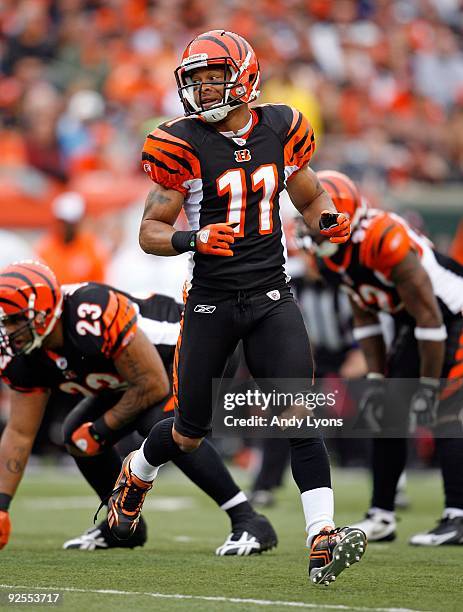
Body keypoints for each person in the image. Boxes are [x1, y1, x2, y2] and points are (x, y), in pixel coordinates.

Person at [106, 30, 366, 586]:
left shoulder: (282, 126)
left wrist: (326, 222)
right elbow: (150, 231)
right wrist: (193, 240)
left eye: (212, 78)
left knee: (301, 412)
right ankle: (138, 472)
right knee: (189, 430)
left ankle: (323, 535)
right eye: (194, 80)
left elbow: (311, 195)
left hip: (272, 293)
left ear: (244, 76)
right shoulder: (180, 142)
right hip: (211, 301)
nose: (202, 90)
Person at [0, 260, 277, 555]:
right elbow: (19, 432)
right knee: (76, 435)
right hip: (136, 377)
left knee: (162, 424)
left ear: (43, 313)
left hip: (194, 347)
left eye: (15, 320)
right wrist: (2, 508)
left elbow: (153, 385)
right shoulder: (23, 356)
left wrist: (101, 428)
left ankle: (248, 519)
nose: (8, 329)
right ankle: (121, 527)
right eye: (5, 321)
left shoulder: (88, 313)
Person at [305, 170, 463, 545]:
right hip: (421, 324)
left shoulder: (384, 238)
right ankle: (382, 513)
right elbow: (366, 319)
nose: (308, 223)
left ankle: (458, 516)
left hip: (452, 316)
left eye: (315, 213)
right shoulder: (332, 259)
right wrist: (376, 378)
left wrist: (425, 385)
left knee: (444, 409)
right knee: (386, 411)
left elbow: (430, 316)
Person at [35, 192, 109, 285]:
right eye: (62, 222)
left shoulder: (92, 247)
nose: (65, 227)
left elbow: (102, 281)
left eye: (70, 223)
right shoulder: (45, 247)